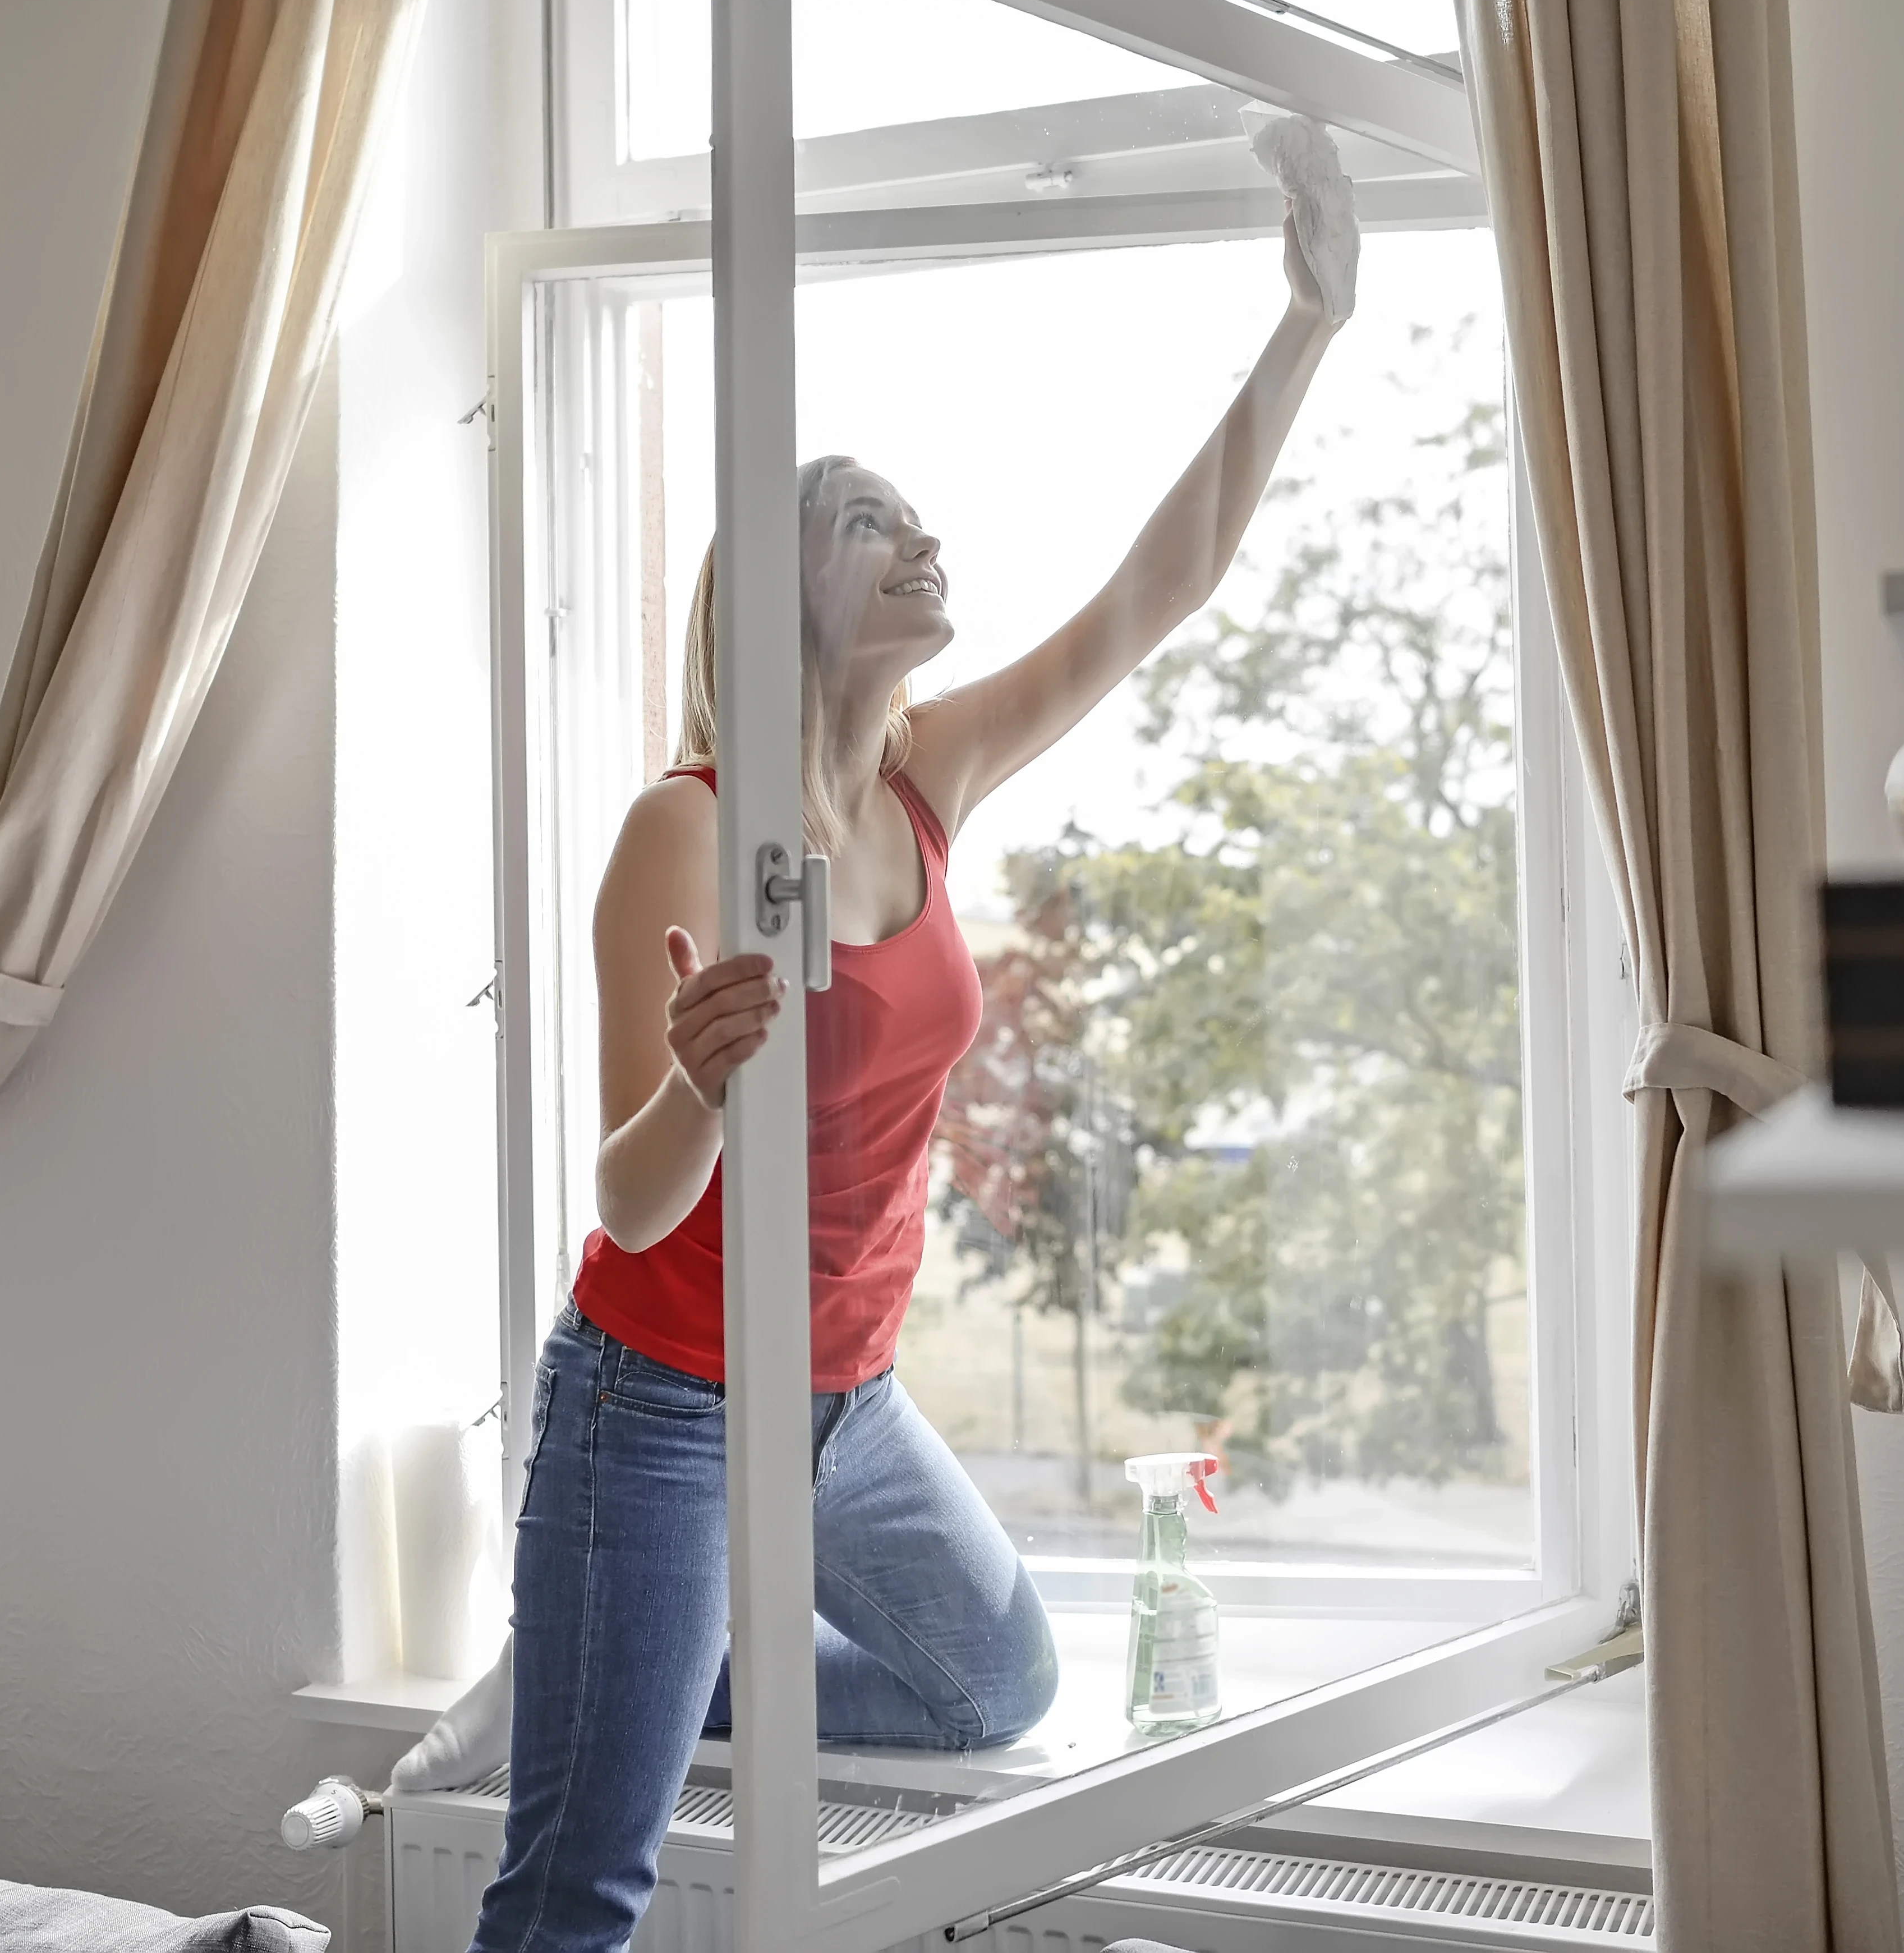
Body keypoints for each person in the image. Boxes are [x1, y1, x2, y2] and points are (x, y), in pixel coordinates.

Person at [470, 219, 1345, 1953]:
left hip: (845, 1409)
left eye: (915, 513)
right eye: (873, 519)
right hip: (655, 1403)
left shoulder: (930, 777)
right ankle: (608, 1641)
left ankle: (646, 1654)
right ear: (788, 588)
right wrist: (706, 1088)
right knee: (579, 1894)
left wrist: (1305, 326)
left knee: (995, 1678)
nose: (921, 535)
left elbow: (1156, 593)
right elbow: (628, 1201)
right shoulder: (693, 827)